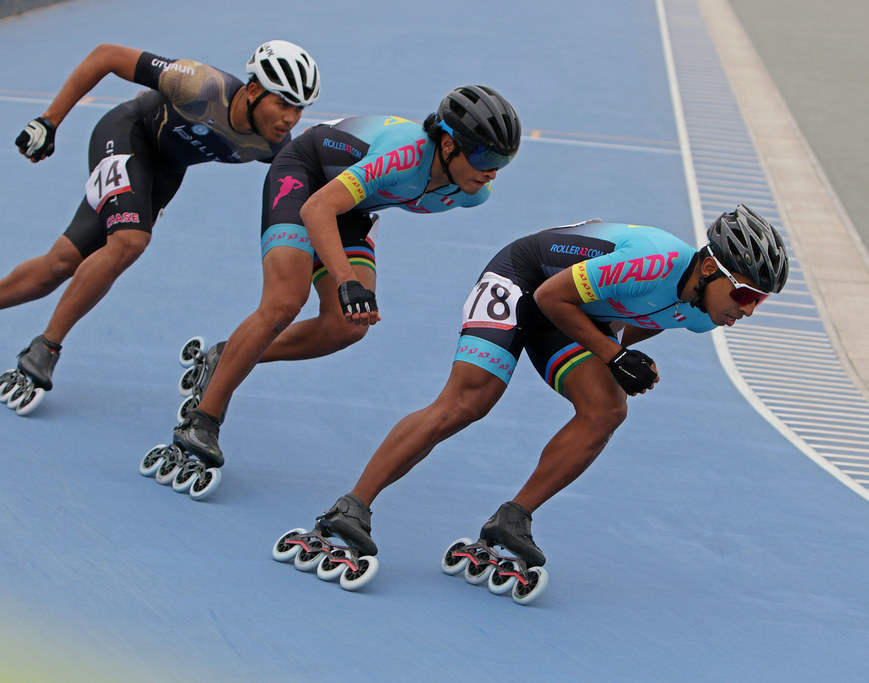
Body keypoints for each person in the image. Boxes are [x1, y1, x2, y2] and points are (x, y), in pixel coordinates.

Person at [302, 205, 789, 570]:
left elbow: (647, 317)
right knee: (470, 400)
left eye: (759, 301)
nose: (747, 310)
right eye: (745, 294)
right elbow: (549, 296)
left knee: (606, 409)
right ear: (709, 269)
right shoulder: (652, 262)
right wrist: (614, 355)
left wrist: (627, 359)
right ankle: (352, 505)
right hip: (525, 278)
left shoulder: (705, 314)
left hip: (578, 306)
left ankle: (511, 519)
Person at [167, 85, 522, 477]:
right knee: (286, 301)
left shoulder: (474, 192)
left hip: (350, 203)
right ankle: (203, 419)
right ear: (450, 145)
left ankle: (227, 354)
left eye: (502, 161)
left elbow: (355, 203)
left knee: (348, 324)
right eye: (484, 156)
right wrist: (344, 278)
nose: (491, 171)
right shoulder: (403, 156)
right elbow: (318, 207)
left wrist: (348, 276)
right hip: (306, 175)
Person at [0, 40, 320, 415]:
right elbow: (106, 55)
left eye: (299, 109)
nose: (290, 119)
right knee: (129, 241)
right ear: (252, 91)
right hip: (127, 133)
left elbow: (313, 190)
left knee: (59, 264)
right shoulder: (201, 85)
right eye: (282, 104)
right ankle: (45, 348)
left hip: (165, 172)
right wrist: (48, 120)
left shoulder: (278, 147)